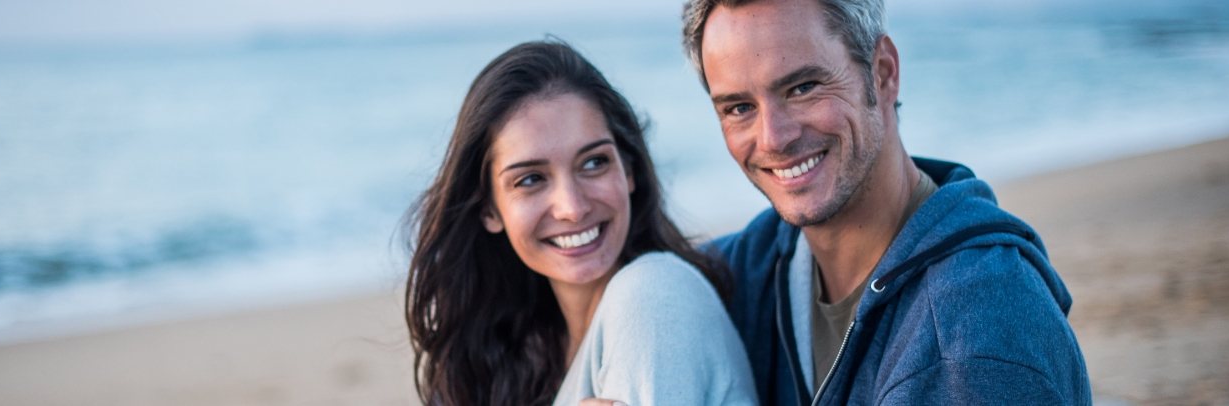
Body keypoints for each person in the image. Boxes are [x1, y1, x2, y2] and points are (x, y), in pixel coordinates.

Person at [585, 0, 1090, 404]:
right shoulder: (755, 269)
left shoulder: (972, 341)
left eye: (803, 87)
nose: (774, 137)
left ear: (884, 73)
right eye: (739, 107)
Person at [406, 40, 757, 405]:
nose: (572, 208)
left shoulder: (652, 296)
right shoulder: (516, 356)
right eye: (530, 180)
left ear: (629, 169)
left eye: (593, 163)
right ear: (489, 210)